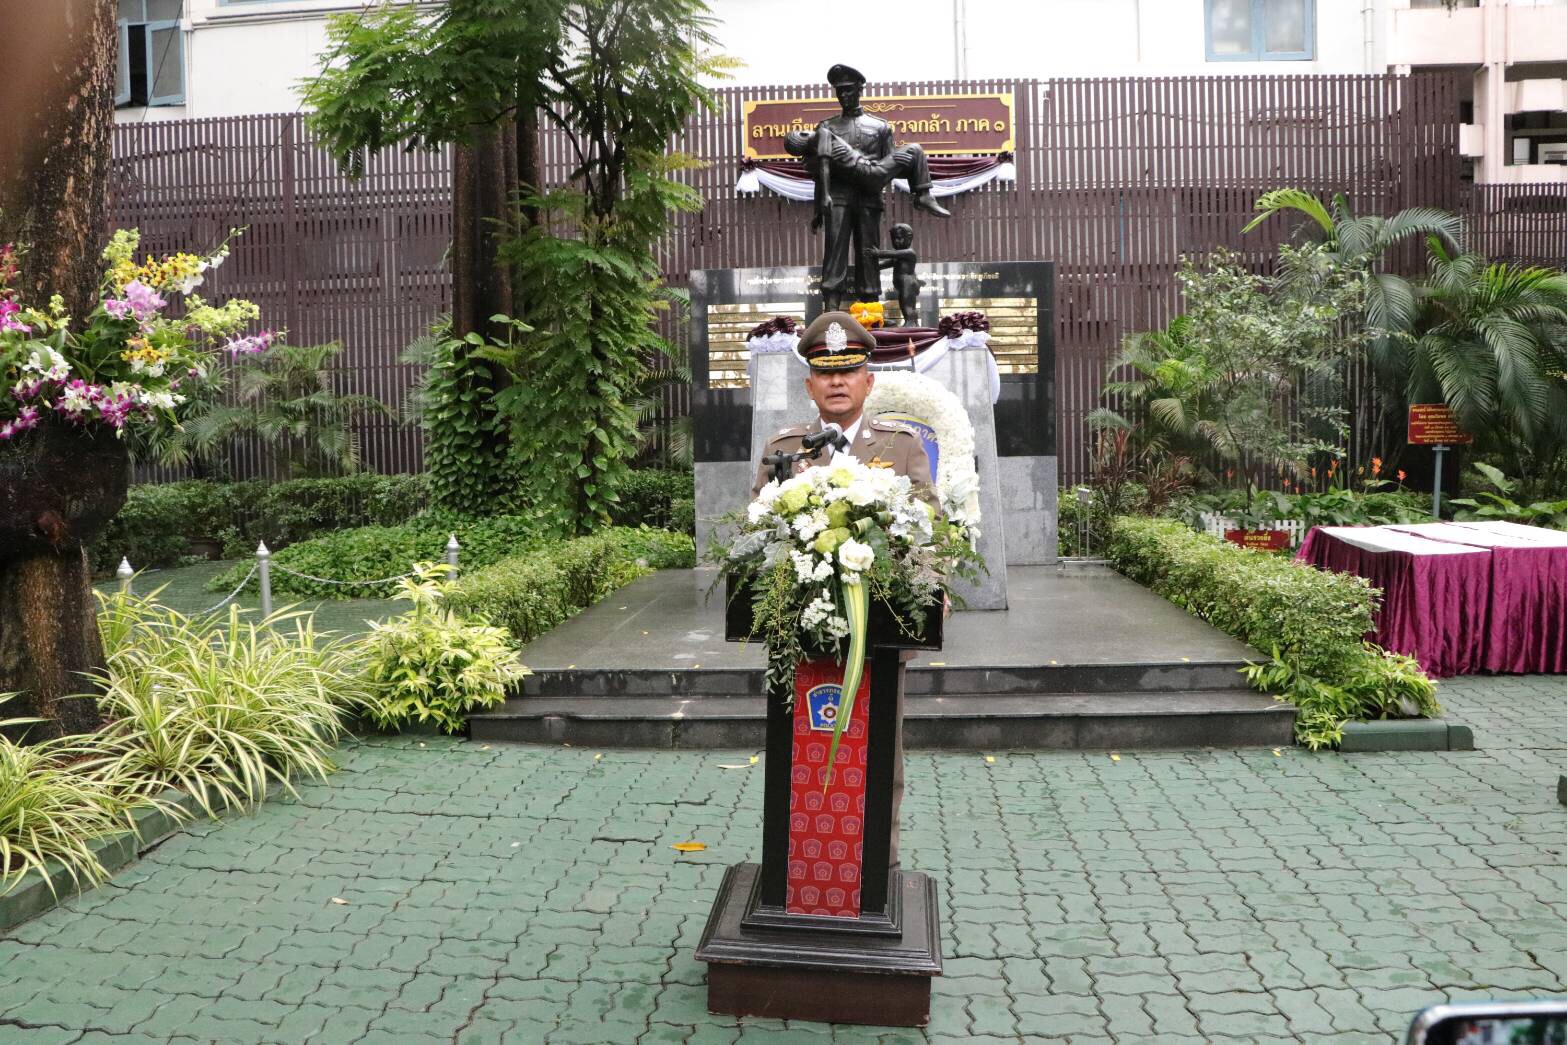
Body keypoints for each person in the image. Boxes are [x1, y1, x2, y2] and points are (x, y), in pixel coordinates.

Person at [752, 310, 933, 868]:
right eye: (826, 373)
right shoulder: (787, 449)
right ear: (810, 386)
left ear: (868, 381)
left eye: (848, 371)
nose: (837, 382)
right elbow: (756, 529)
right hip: (800, 629)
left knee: (880, 749)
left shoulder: (901, 445)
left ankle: (879, 863)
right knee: (799, 745)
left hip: (879, 627)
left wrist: (931, 585)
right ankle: (799, 862)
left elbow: (929, 528)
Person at [785, 63, 949, 311]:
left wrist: (907, 172)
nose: (844, 95)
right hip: (838, 197)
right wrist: (819, 208)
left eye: (849, 90)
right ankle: (831, 308)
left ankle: (871, 307)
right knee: (834, 250)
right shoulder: (826, 127)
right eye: (839, 91)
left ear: (860, 89)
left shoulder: (880, 126)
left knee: (869, 251)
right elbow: (820, 171)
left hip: (869, 197)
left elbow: (889, 165)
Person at [873, 222, 923, 328]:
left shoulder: (909, 253)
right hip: (902, 285)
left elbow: (892, 254)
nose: (896, 241)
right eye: (894, 239)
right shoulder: (898, 257)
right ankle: (911, 322)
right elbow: (885, 264)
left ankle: (911, 322)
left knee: (907, 304)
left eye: (900, 238)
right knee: (903, 303)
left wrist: (877, 253)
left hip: (908, 283)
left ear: (909, 238)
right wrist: (873, 266)